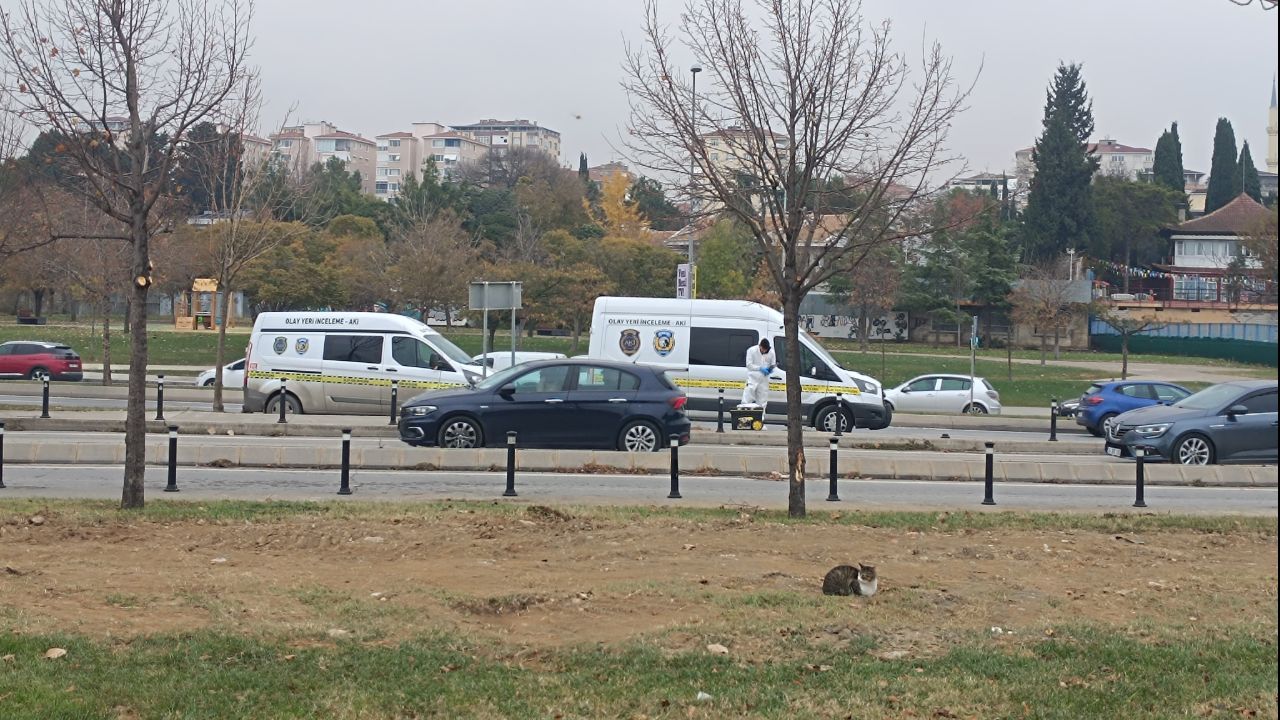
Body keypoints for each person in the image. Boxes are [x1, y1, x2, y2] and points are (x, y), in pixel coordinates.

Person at [742, 338, 776, 413]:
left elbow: (773, 364)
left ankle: (760, 421)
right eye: (763, 349)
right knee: (747, 398)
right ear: (760, 346)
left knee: (762, 401)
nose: (764, 351)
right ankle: (744, 417)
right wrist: (760, 368)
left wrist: (770, 370)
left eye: (765, 350)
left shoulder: (771, 352)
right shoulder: (751, 351)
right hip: (752, 378)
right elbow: (749, 365)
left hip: (764, 379)